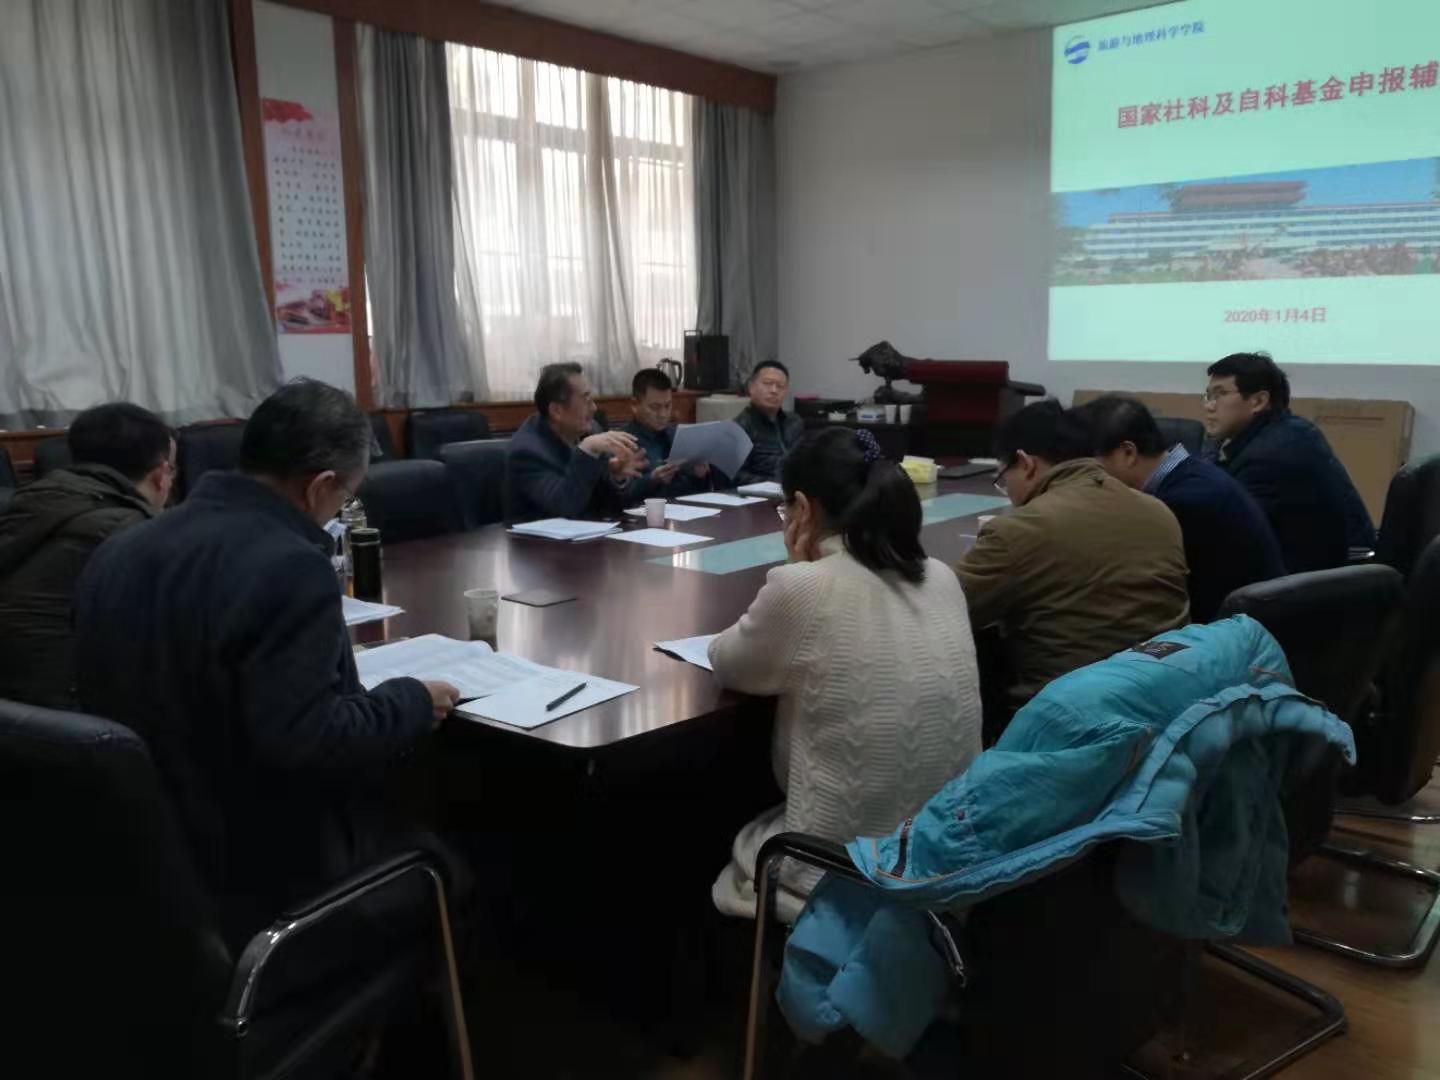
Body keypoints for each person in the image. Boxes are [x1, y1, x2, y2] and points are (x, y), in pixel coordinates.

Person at [73, 379, 460, 943]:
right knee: (461, 847)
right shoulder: (289, 565)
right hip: (263, 875)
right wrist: (411, 699)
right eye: (345, 496)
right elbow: (313, 741)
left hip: (143, 868)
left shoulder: (121, 547)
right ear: (320, 486)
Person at [708, 427, 983, 921]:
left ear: (802, 508)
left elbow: (727, 662)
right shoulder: (942, 576)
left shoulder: (805, 589)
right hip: (946, 850)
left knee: (726, 845)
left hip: (846, 869)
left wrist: (798, 570)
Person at [957, 399, 1189, 711]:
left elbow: (945, 610)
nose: (1007, 490)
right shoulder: (1158, 511)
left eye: (1003, 479)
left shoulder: (1018, 530)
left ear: (1025, 463)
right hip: (1168, 703)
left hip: (1067, 715)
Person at [0, 403, 175, 709]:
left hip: (16, 708)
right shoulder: (132, 533)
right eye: (173, 469)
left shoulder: (33, 502)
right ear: (161, 474)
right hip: (75, 712)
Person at [1079, 394, 1286, 622]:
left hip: (1238, 632)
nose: (1088, 479)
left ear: (1128, 453)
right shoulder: (1191, 473)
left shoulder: (1179, 504)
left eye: (1090, 467)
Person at [1203, 352, 1376, 573]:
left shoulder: (1270, 456)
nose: (1209, 406)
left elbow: (1224, 528)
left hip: (1323, 579)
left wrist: (1210, 450)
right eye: (1208, 396)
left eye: (1220, 394)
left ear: (1258, 401)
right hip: (1332, 568)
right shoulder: (1291, 430)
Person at [507, 362, 645, 521]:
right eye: (586, 399)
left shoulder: (590, 430)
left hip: (590, 532)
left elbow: (607, 506)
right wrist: (586, 450)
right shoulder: (526, 452)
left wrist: (616, 478)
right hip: (535, 536)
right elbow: (563, 507)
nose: (594, 408)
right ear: (556, 411)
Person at [620, 368, 712, 498]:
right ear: (634, 405)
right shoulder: (622, 443)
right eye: (655, 407)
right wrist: (652, 480)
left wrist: (699, 476)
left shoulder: (679, 435)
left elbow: (695, 491)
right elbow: (618, 497)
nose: (663, 414)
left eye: (668, 406)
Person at [733, 360, 804, 485]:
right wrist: (775, 484)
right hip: (758, 492)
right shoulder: (740, 427)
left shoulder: (794, 422)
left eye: (780, 386)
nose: (774, 390)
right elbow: (736, 476)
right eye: (767, 383)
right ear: (751, 387)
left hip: (793, 490)